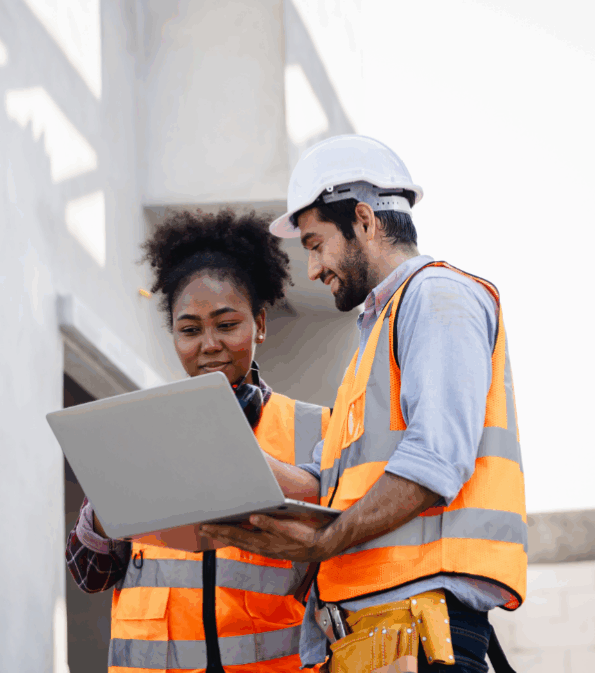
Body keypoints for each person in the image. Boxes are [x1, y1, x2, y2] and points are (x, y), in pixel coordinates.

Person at [200, 135, 525, 673]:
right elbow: (336, 486)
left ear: (364, 220)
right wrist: (233, 467)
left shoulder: (437, 296)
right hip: (379, 639)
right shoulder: (377, 337)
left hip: (419, 633)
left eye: (314, 243)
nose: (312, 268)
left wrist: (326, 541)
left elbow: (435, 462)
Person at [65, 209, 331, 673]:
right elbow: (88, 574)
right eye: (189, 330)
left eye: (227, 325)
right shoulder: (138, 430)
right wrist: (112, 499)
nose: (208, 344)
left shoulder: (316, 429)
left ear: (260, 325)